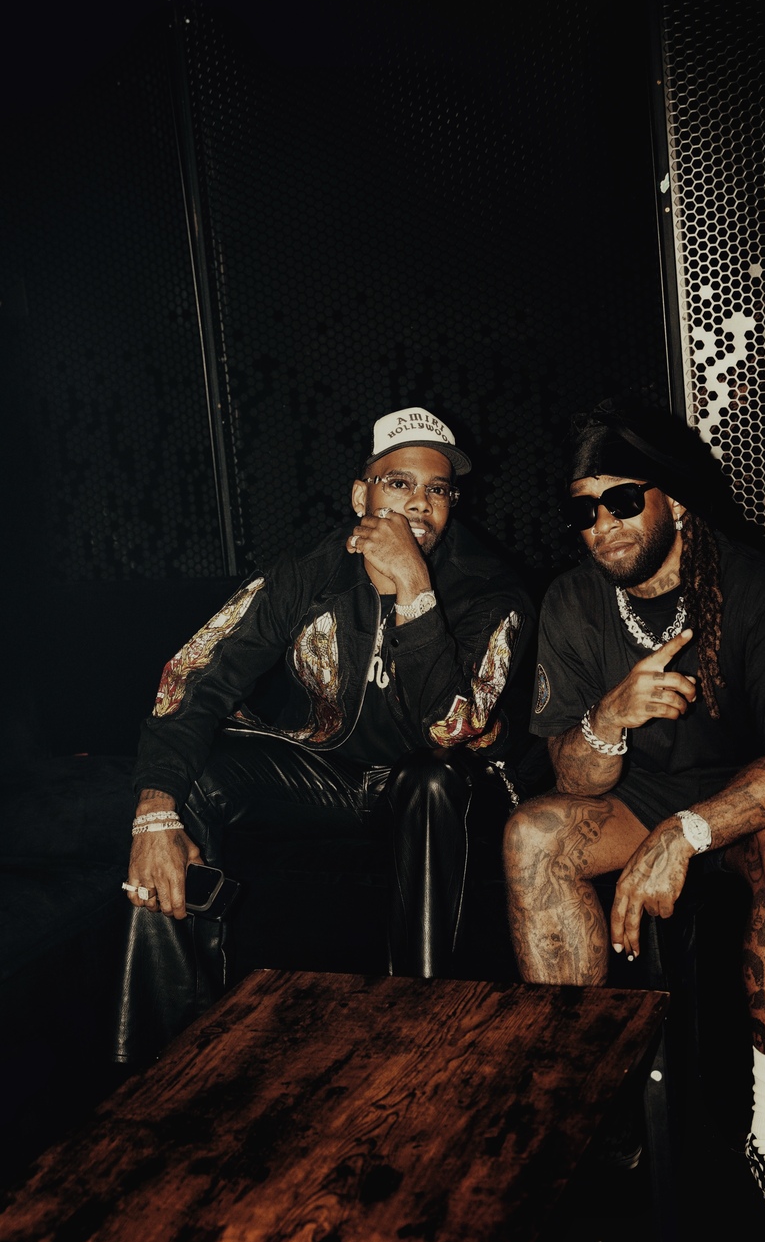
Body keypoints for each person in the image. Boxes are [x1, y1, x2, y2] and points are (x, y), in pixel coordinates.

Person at [503, 399, 765, 1242]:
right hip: (638, 800)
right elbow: (571, 778)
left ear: (673, 496)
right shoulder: (572, 601)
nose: (600, 525)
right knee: (532, 835)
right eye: (582, 508)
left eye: (621, 499)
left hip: (756, 803)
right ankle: (589, 1112)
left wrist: (687, 833)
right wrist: (608, 717)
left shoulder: (757, 587)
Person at [117, 406, 545, 1061]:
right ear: (359, 496)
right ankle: (166, 1051)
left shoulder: (491, 589)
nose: (420, 503)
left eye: (437, 489)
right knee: (192, 779)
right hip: (332, 772)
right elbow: (193, 676)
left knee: (430, 776)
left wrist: (415, 589)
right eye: (399, 483)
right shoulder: (308, 572)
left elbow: (451, 727)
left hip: (449, 786)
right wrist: (154, 809)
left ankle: (418, 1028)